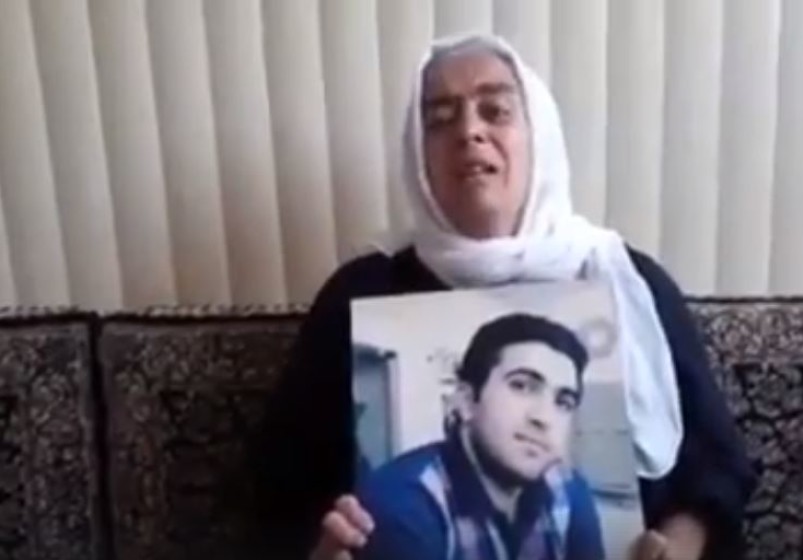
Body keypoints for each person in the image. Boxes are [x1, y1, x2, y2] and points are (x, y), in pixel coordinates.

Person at [249, 32, 758, 560]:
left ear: (538, 136)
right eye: (440, 118)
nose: (469, 131)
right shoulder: (359, 294)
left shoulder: (626, 279)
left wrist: (682, 542)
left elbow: (717, 468)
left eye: (496, 111)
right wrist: (319, 548)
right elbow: (281, 486)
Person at [354, 313, 604, 559]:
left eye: (563, 402)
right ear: (466, 401)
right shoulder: (401, 503)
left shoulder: (569, 490)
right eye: (521, 386)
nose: (544, 418)